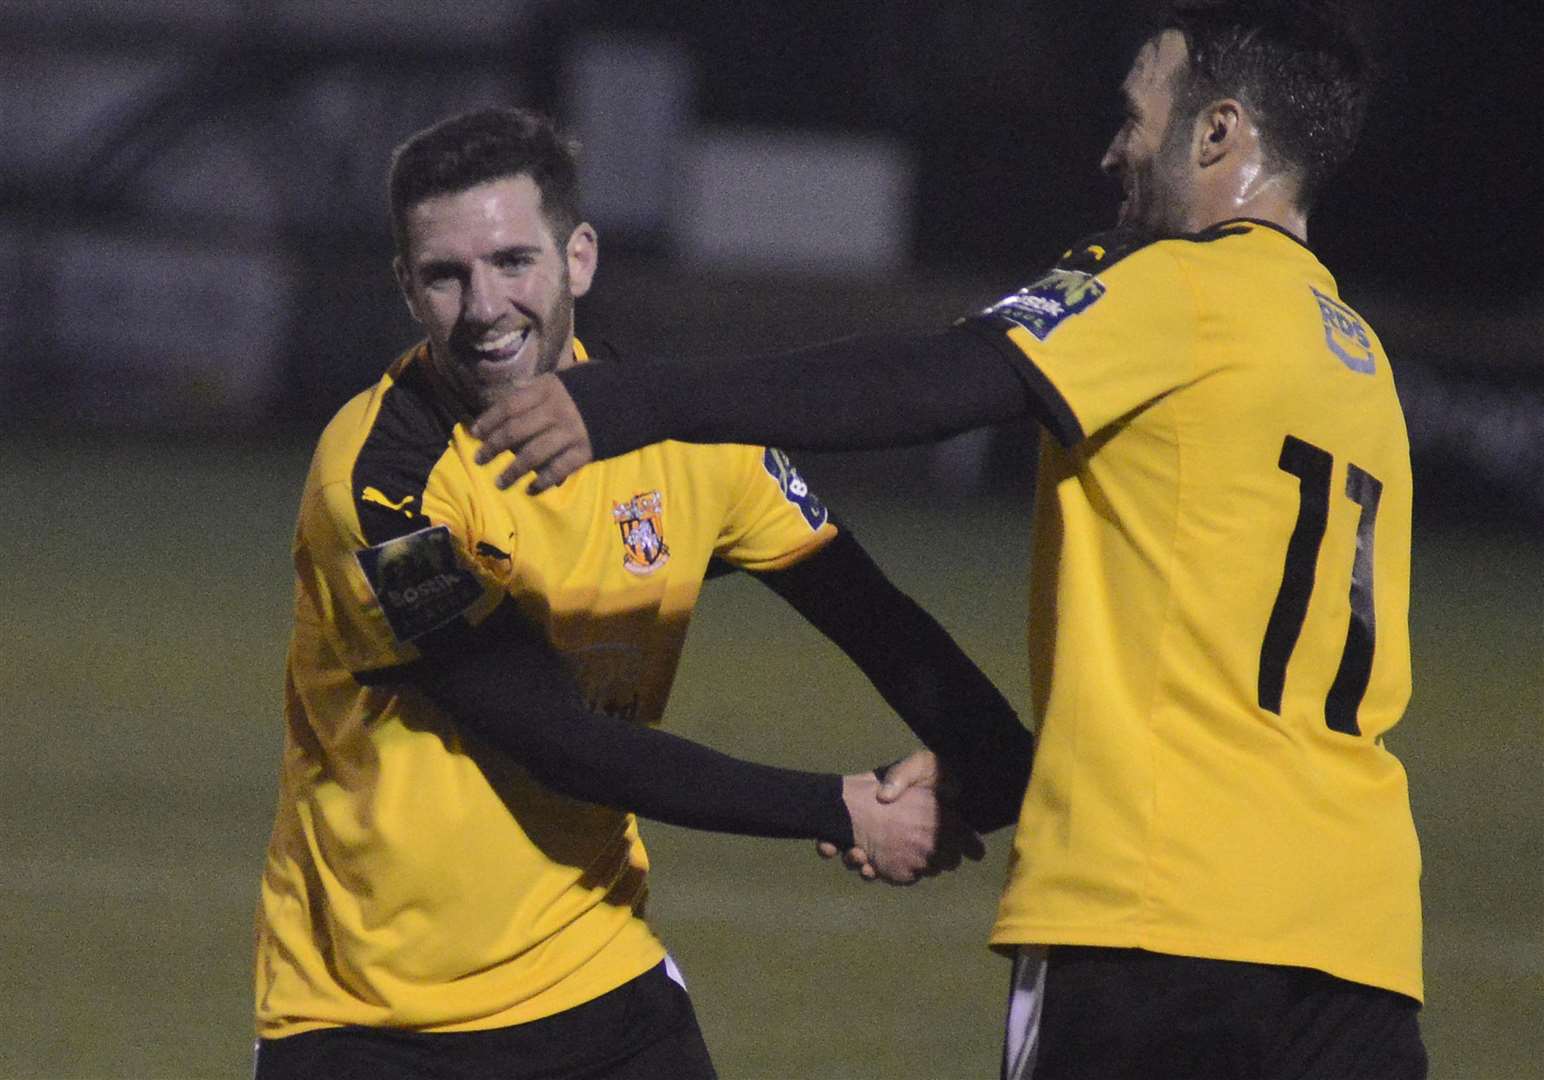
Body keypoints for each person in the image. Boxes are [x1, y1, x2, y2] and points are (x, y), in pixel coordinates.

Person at [468, 3, 1428, 1078]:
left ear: (1215, 134)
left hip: (1159, 924)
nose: (1110, 146)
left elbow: (925, 382)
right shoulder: (1356, 364)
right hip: (1356, 945)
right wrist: (995, 766)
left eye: (1132, 114)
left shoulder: (1179, 286)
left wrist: (630, 401)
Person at [252, 107, 1035, 1080]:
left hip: (596, 981)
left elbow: (875, 621)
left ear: (577, 257)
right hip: (372, 1024)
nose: (484, 304)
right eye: (446, 275)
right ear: (406, 288)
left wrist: (984, 774)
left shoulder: (685, 443)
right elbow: (557, 739)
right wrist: (837, 808)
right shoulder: (377, 483)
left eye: (511, 262)